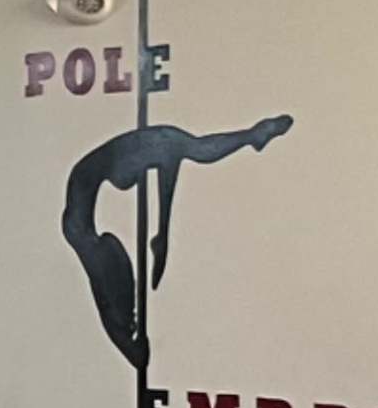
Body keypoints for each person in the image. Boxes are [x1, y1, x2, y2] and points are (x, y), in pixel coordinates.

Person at [59, 115, 293, 368]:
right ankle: (252, 136)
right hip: (80, 219)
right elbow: (164, 190)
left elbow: (163, 193)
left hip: (87, 214)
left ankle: (130, 343)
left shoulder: (163, 146)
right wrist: (161, 239)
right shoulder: (166, 144)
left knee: (106, 277)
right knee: (104, 273)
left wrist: (161, 240)